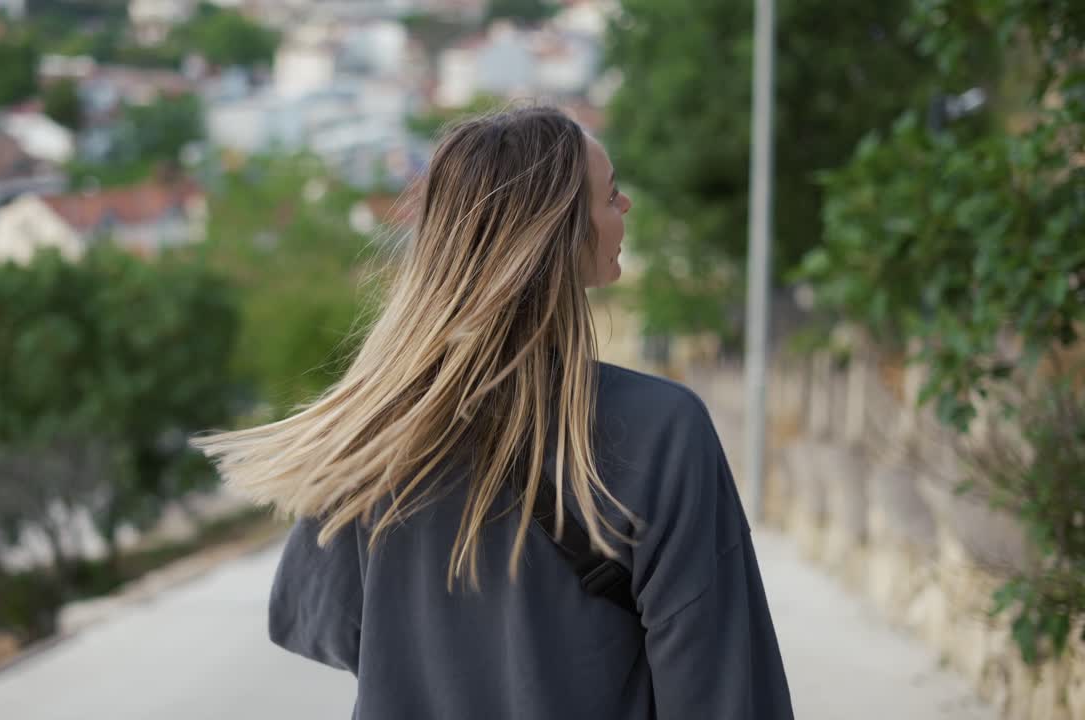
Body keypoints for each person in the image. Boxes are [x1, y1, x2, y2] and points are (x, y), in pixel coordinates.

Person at [193, 106, 793, 719]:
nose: (626, 207)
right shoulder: (663, 430)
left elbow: (322, 625)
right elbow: (720, 687)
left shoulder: (373, 430)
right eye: (611, 196)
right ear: (562, 234)